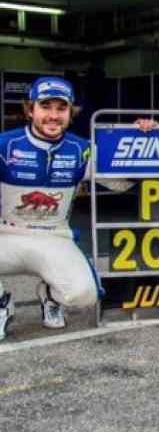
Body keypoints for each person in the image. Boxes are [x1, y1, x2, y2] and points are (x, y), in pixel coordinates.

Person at [0, 76, 144, 341]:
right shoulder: (5, 144)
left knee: (83, 295)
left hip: (53, 236)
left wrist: (140, 140)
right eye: (45, 106)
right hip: (6, 235)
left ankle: (50, 296)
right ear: (30, 110)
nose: (53, 116)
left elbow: (122, 183)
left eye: (61, 108)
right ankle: (1, 303)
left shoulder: (82, 149)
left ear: (71, 113)